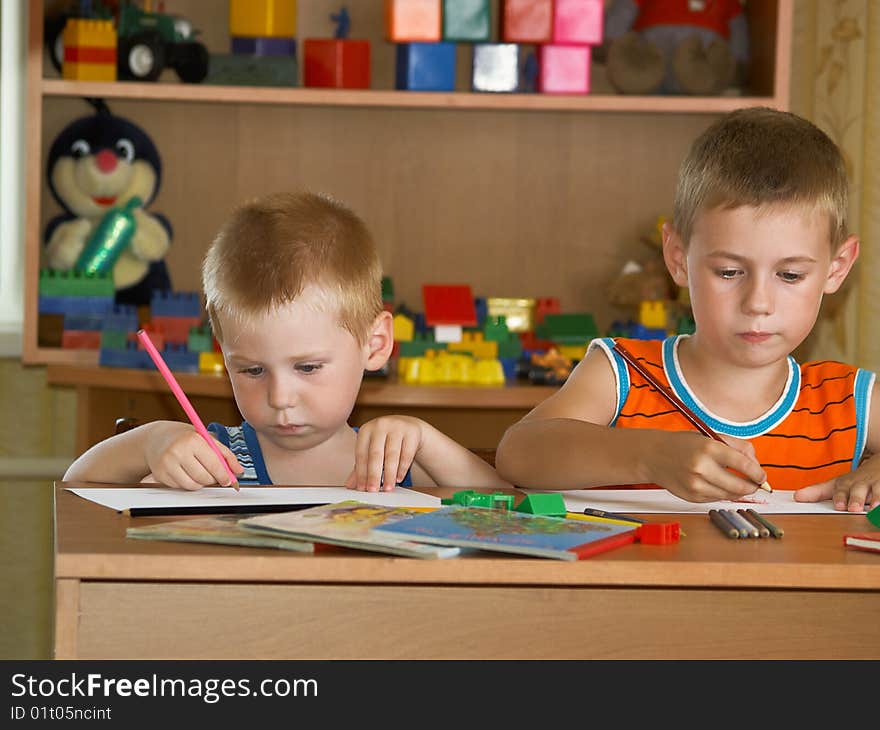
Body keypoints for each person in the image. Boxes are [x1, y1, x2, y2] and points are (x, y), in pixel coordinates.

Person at [496, 106, 878, 512]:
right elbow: (518, 452)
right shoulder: (624, 373)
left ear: (836, 268)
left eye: (789, 276)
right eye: (729, 272)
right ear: (678, 258)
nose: (758, 304)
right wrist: (650, 454)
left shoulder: (847, 401)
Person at [63, 191, 509, 493]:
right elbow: (76, 487)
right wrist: (151, 442)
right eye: (252, 370)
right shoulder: (210, 460)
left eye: (308, 367)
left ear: (375, 344)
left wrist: (426, 440)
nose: (280, 398)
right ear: (225, 356)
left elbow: (512, 511)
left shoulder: (397, 462)